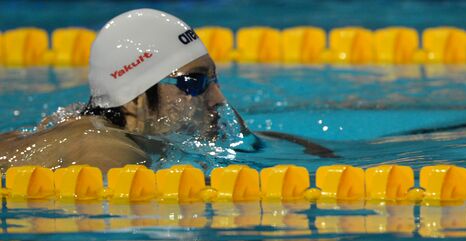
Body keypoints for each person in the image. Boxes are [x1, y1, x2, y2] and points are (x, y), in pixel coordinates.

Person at [0, 9, 334, 174]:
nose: (218, 99)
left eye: (214, 81)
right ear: (134, 97)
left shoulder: (89, 126)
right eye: (194, 83)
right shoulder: (114, 154)